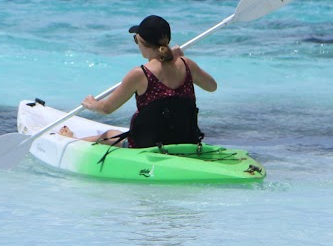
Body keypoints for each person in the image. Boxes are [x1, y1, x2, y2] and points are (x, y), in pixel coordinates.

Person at [59, 15, 217, 148]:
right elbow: (212, 86)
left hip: (146, 145)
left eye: (136, 40)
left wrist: (91, 103)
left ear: (142, 42)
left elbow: (106, 109)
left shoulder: (140, 74)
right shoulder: (186, 64)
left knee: (108, 135)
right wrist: (181, 57)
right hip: (187, 141)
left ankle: (70, 141)